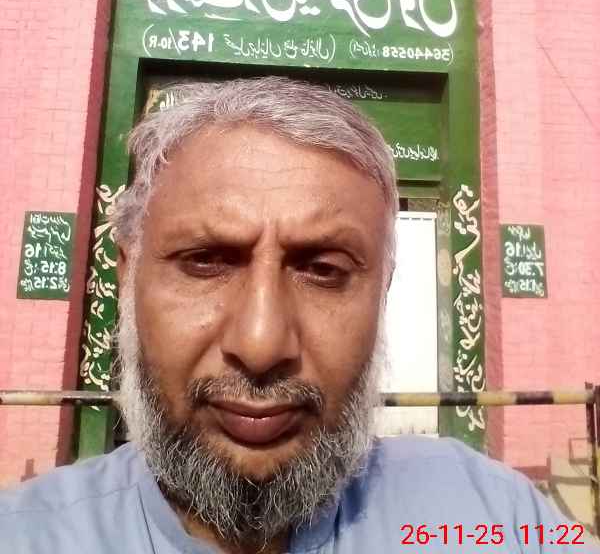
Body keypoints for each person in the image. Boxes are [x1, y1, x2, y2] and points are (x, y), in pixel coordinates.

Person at [1, 76, 597, 553]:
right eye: (206, 261)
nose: (261, 344)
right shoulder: (28, 535)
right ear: (128, 279)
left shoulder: (489, 519)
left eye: (323, 270)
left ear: (383, 293)